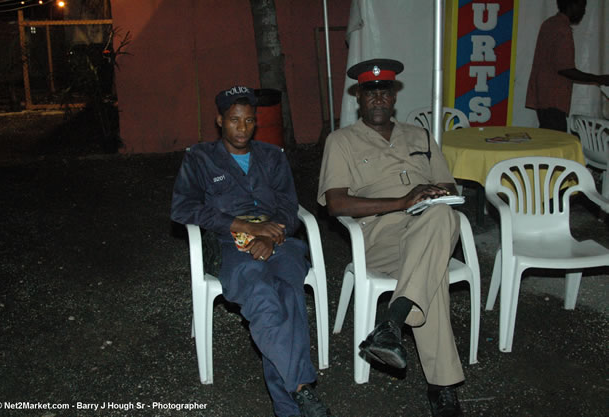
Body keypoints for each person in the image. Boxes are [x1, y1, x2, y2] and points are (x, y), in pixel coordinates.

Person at [171, 86, 333, 417]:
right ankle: (301, 389)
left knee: (286, 295)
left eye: (249, 121)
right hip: (230, 245)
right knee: (263, 292)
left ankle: (291, 407)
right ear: (220, 121)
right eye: (234, 120)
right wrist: (243, 226)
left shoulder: (273, 157)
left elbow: (289, 207)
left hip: (280, 242)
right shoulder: (200, 158)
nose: (242, 128)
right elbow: (182, 209)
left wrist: (271, 237)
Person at [317, 59, 464, 417]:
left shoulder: (420, 136)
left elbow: (449, 184)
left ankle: (392, 322)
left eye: (385, 92)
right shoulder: (341, 141)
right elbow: (336, 203)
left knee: (442, 213)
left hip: (429, 224)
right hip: (382, 234)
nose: (379, 98)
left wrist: (432, 191)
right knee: (433, 274)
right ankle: (442, 388)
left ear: (394, 98)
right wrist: (402, 200)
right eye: (371, 92)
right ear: (359, 99)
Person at [526, 0, 609, 132]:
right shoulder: (562, 29)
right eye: (582, 6)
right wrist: (599, 79)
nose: (583, 11)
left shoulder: (549, 23)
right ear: (572, 5)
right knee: (555, 143)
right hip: (554, 99)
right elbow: (566, 69)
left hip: (543, 96)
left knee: (548, 139)